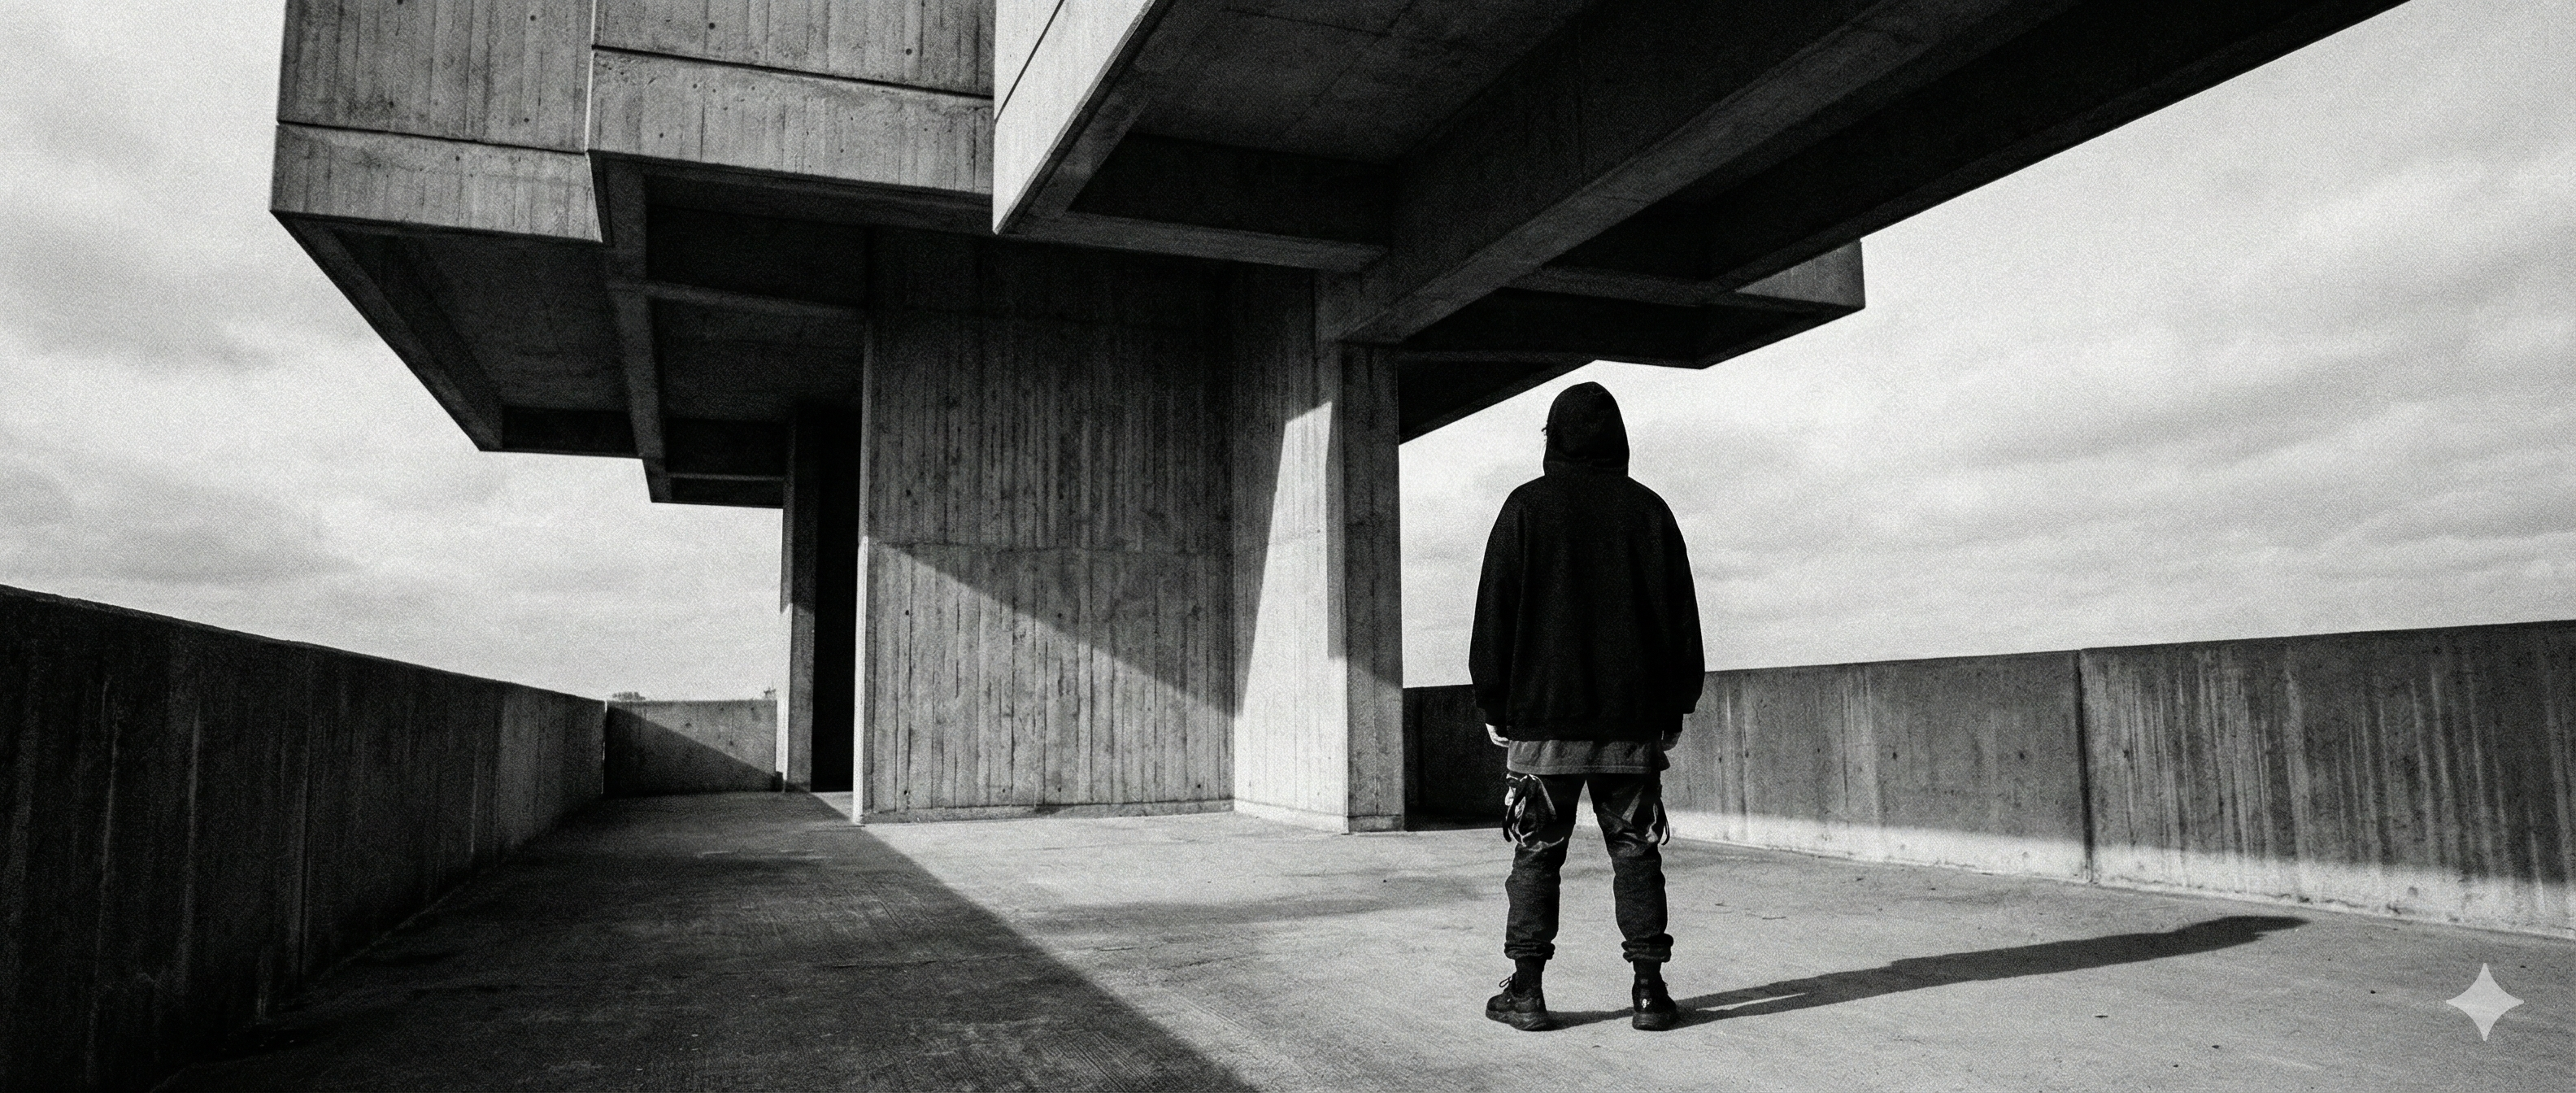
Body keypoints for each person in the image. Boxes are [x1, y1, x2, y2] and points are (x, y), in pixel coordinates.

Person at [1471, 381, 1704, 1033]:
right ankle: (1650, 991)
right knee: (1637, 854)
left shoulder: (1525, 508)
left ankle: (1526, 991)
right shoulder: (1649, 511)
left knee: (1536, 857)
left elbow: (1496, 613)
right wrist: (1675, 703)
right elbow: (1680, 620)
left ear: (1554, 438)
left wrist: (1494, 700)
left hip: (1543, 726)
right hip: (1630, 725)